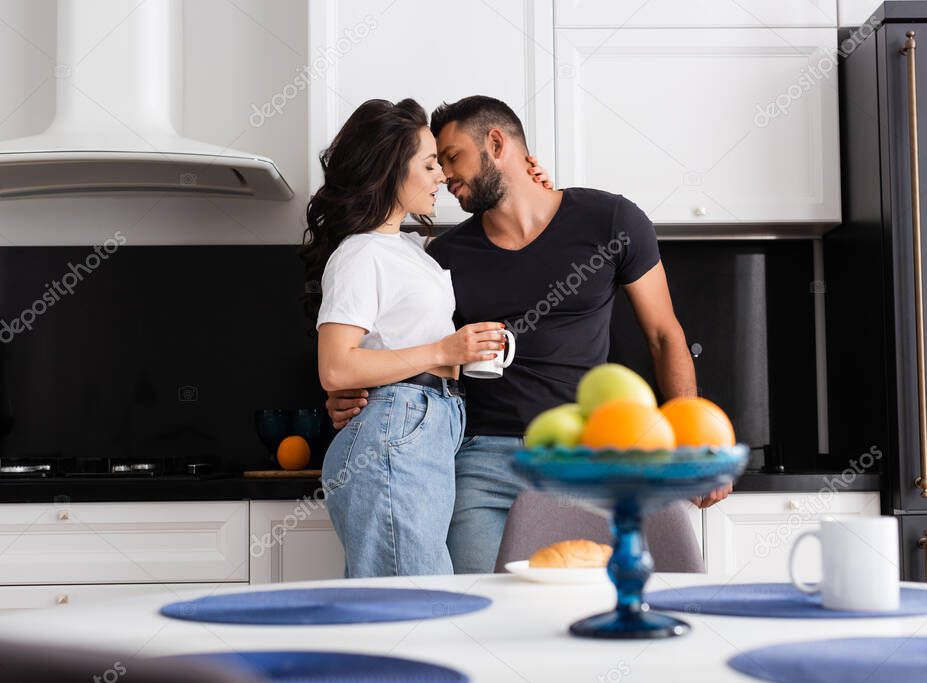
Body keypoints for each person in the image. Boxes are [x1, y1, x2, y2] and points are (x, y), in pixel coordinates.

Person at [326, 95, 730, 575]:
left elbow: (665, 336)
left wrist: (692, 438)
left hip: (587, 453)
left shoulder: (611, 222)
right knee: (479, 618)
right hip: (478, 461)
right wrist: (354, 394)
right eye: (434, 162)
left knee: (598, 609)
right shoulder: (441, 255)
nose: (445, 176)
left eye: (451, 158)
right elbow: (386, 331)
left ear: (495, 143)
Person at [302, 98, 550, 578]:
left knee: (419, 601)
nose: (441, 176)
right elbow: (335, 368)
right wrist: (445, 350)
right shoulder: (360, 254)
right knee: (410, 607)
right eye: (430, 163)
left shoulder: (411, 252)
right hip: (398, 430)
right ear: (392, 170)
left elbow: (514, 221)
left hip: (426, 430)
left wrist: (534, 184)